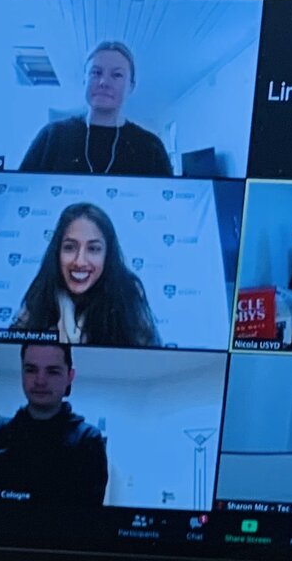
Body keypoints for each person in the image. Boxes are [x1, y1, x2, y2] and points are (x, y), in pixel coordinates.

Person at [0, 340, 109, 505]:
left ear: (70, 376)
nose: (40, 381)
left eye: (52, 371)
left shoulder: (88, 440)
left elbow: (87, 517)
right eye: (31, 369)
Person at [11, 202, 160, 348]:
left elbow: (151, 359)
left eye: (94, 249)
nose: (80, 261)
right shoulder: (43, 291)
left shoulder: (127, 293)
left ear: (107, 256)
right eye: (69, 247)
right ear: (57, 252)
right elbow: (15, 354)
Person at [18, 41, 173, 179]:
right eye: (96, 72)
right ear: (85, 80)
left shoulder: (151, 147)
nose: (104, 82)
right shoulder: (51, 136)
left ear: (131, 86)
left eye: (117, 75)